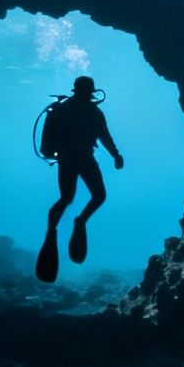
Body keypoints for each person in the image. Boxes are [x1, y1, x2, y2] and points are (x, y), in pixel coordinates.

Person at [36, 75, 123, 282]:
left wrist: (115, 154)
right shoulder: (93, 112)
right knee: (93, 196)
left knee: (69, 198)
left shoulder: (64, 109)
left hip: (71, 158)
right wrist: (115, 154)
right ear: (91, 92)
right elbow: (105, 137)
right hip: (80, 158)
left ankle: (56, 230)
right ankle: (75, 223)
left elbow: (104, 136)